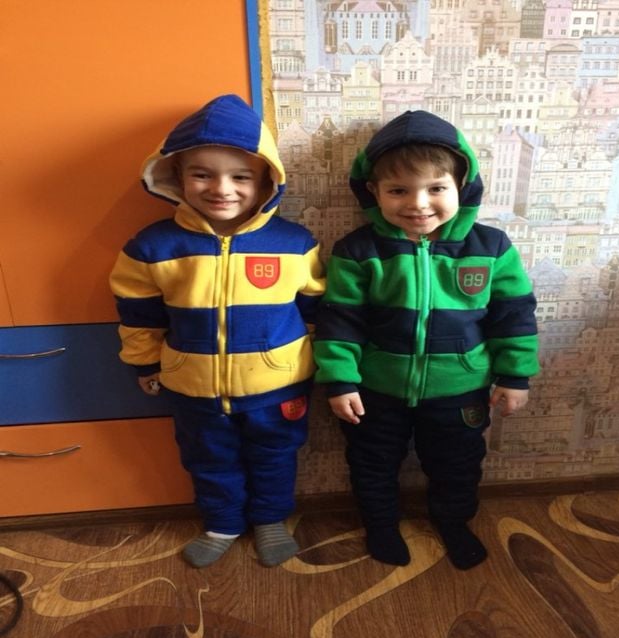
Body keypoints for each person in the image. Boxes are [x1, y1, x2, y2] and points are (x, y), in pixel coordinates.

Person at [314, 110, 539, 570]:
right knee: (372, 463)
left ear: (462, 187)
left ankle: (453, 522)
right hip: (376, 390)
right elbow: (340, 320)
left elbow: (513, 315)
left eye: (436, 188)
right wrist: (340, 380)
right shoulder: (357, 250)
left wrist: (515, 375)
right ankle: (381, 525)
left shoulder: (491, 248)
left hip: (460, 389)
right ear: (373, 191)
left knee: (458, 464)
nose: (418, 204)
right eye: (399, 190)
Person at [110, 94, 325, 568]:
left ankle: (270, 519)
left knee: (276, 456)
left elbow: (314, 308)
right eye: (202, 174)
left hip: (278, 385)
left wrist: (311, 360)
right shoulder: (153, 246)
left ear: (266, 181)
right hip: (193, 386)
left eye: (240, 177)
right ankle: (222, 522)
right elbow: (139, 314)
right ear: (176, 176)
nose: (221, 189)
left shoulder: (294, 243)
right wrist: (144, 364)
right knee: (208, 459)